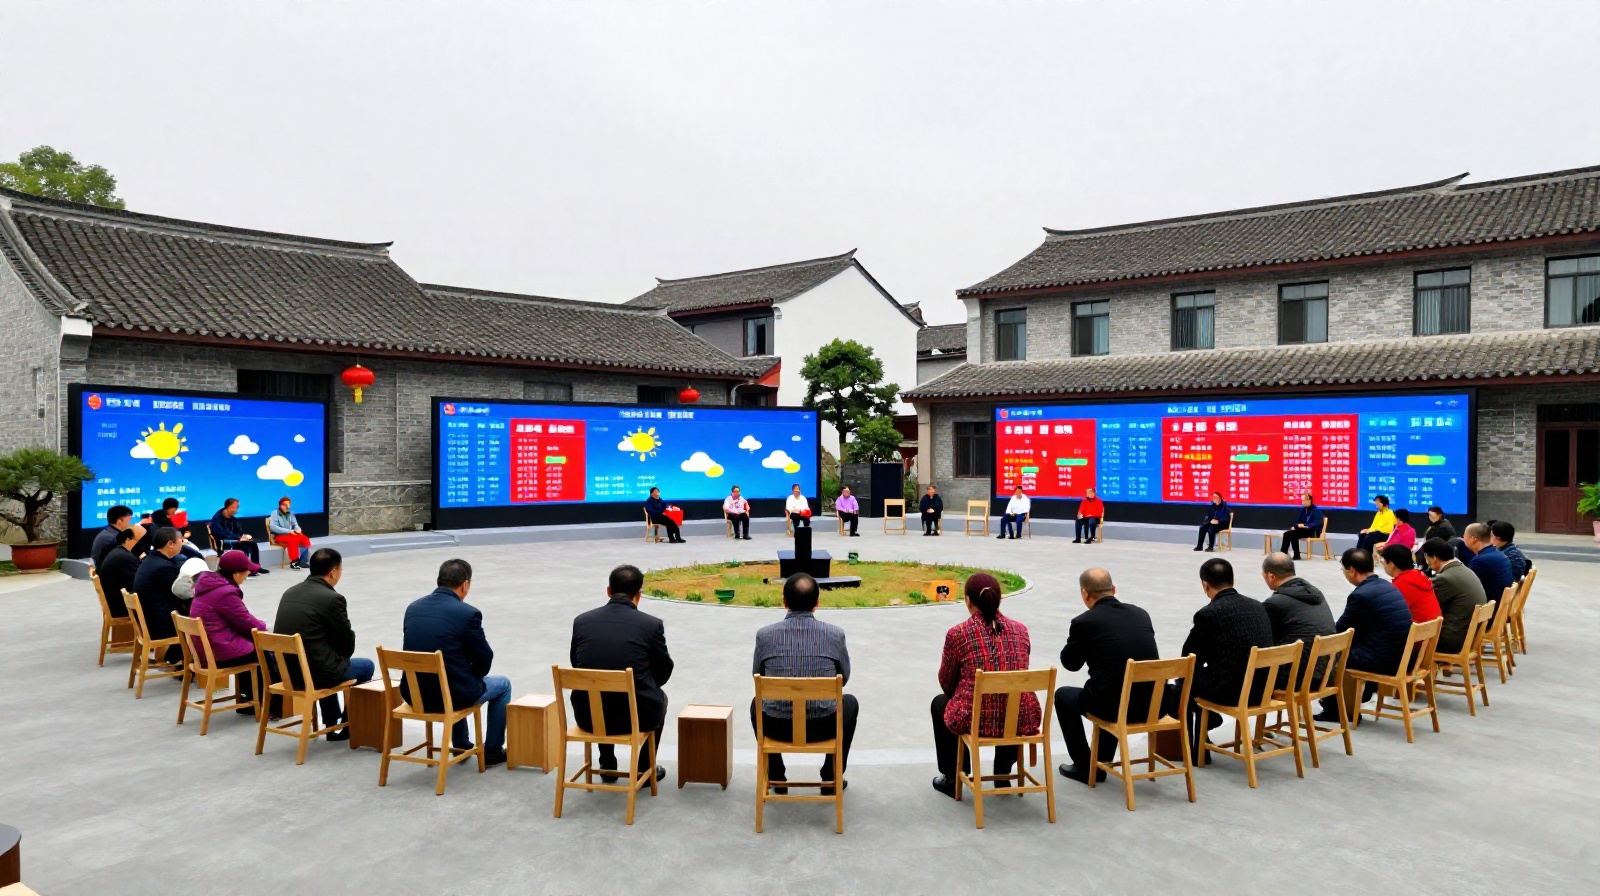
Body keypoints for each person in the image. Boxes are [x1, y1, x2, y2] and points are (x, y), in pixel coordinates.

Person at [930, 573, 1040, 797]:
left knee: (941, 703)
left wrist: (962, 692)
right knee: (1011, 701)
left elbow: (946, 682)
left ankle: (955, 775)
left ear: (968, 601)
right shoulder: (1021, 630)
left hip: (978, 719)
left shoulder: (958, 633)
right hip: (1020, 717)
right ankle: (1002, 774)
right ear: (1001, 599)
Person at [752, 573, 857, 794]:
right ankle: (831, 775)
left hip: (777, 726)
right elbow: (844, 678)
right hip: (824, 726)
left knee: (756, 703)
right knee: (850, 703)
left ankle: (777, 777)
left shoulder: (764, 636)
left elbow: (757, 676)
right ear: (817, 603)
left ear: (784, 602)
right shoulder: (835, 635)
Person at [1053, 568, 1160, 785]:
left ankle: (1085, 766)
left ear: (1084, 593)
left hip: (1115, 705)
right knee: (1111, 686)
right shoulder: (1141, 614)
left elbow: (1071, 664)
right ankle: (1100, 760)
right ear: (1113, 589)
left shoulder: (1085, 622)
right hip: (1153, 704)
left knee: (1064, 696)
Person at [400, 559, 511, 766]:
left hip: (415, 695)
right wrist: (473, 672)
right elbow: (484, 657)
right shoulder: (467, 613)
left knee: (451, 674)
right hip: (450, 695)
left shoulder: (413, 608)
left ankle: (461, 743)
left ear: (438, 581)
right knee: (503, 685)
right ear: (465, 584)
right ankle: (493, 750)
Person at [569, 564, 674, 782]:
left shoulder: (582, 622)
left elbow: (577, 665)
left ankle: (607, 764)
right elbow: (664, 671)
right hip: (635, 718)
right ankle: (643, 769)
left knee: (598, 689)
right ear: (639, 595)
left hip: (587, 716)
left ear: (608, 591)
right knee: (659, 698)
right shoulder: (651, 625)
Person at [274, 548, 375, 740]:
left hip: (287, 672)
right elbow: (347, 643)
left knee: (324, 659)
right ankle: (349, 727)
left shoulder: (290, 592)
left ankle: (331, 723)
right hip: (313, 675)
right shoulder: (332, 598)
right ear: (334, 572)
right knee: (365, 665)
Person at [1181, 558, 1274, 759]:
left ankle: (1196, 748)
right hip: (1263, 689)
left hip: (1233, 692)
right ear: (1232, 580)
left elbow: (1189, 658)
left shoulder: (1209, 613)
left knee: (1181, 685)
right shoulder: (1258, 606)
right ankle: (1204, 733)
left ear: (1205, 585)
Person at [1316, 549, 1413, 722]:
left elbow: (1340, 632)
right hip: (1401, 654)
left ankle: (1338, 709)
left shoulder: (1361, 595)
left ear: (1352, 570)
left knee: (1330, 653)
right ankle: (1360, 695)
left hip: (1384, 660)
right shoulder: (1386, 585)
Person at [190, 550, 269, 710]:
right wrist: (263, 626)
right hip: (219, 651)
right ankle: (263, 704)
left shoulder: (207, 585)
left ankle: (247, 699)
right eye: (247, 571)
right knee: (266, 652)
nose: (248, 574)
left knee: (249, 645)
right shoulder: (225, 593)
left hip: (206, 649)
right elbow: (246, 622)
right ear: (236, 574)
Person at [1260, 552, 1334, 687]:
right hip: (1327, 673)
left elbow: (1262, 640)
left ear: (1271, 576)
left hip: (1297, 678)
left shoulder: (1275, 603)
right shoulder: (1314, 592)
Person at [130, 527, 189, 664]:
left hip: (148, 619)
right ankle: (182, 663)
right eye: (181, 540)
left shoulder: (150, 561)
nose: (183, 543)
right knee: (199, 620)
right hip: (158, 626)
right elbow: (179, 593)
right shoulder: (163, 567)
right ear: (170, 543)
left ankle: (176, 658)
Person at [1421, 538, 1488, 654]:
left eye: (1426, 559)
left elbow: (1426, 606)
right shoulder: (1464, 570)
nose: (1427, 563)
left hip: (1452, 640)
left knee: (1407, 637)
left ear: (1434, 558)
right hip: (1470, 636)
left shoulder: (1444, 578)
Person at [1380, 544, 1441, 624]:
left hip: (1417, 632)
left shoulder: (1401, 583)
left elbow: (1389, 613)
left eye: (1384, 560)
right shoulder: (1419, 576)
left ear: (1391, 564)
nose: (1383, 565)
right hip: (1433, 630)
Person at [1462, 522, 1513, 603]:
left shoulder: (1481, 560)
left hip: (1489, 609)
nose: (1463, 538)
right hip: (1500, 603)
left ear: (1473, 539)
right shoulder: (1498, 554)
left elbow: (1465, 586)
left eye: (1464, 536)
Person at [209, 499, 265, 573]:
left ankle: (256, 567)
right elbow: (221, 534)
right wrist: (238, 538)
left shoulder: (232, 518)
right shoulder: (217, 518)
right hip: (222, 542)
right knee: (241, 545)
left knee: (253, 544)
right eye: (235, 507)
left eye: (237, 507)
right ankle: (243, 568)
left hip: (234, 539)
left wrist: (244, 536)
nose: (236, 510)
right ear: (228, 507)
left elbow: (238, 530)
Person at [96, 526, 141, 618]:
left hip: (114, 600)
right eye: (137, 540)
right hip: (120, 606)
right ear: (128, 539)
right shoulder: (125, 557)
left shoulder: (118, 552)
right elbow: (137, 582)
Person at [268, 497, 314, 570]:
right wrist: (289, 531)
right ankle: (294, 562)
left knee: (304, 538)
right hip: (279, 536)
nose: (287, 506)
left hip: (290, 534)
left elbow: (295, 524)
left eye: (288, 504)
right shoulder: (275, 513)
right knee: (293, 540)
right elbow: (273, 527)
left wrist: (298, 529)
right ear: (280, 505)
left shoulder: (290, 514)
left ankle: (303, 561)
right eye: (285, 504)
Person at [1280, 493, 1324, 559]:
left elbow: (1317, 523)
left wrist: (1306, 525)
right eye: (1302, 500)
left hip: (1313, 532)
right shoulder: (1303, 510)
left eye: (1304, 500)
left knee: (1292, 534)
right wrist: (1296, 526)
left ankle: (1296, 555)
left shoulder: (1316, 510)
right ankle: (1283, 553)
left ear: (1310, 500)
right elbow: (1298, 521)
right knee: (1287, 533)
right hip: (1303, 530)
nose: (1303, 502)